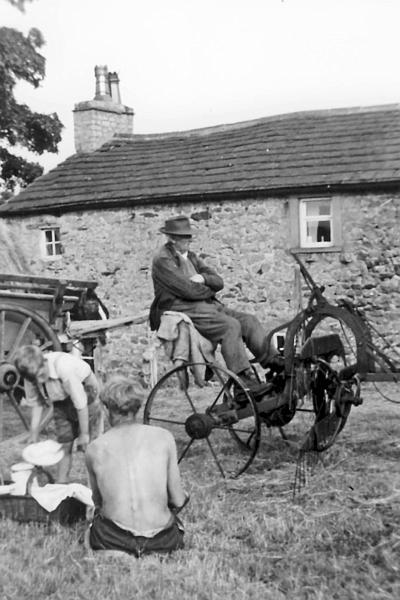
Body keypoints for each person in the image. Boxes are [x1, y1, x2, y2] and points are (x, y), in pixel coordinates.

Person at [150, 215, 274, 386]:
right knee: (230, 326)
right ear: (171, 238)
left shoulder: (191, 256)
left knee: (249, 321)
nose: (189, 240)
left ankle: (273, 362)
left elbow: (219, 282)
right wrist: (208, 289)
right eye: (184, 237)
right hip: (180, 306)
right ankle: (242, 379)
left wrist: (203, 278)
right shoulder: (163, 259)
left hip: (206, 304)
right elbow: (188, 291)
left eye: (189, 236)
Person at [85, 375, 188, 557]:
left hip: (113, 539)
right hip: (162, 541)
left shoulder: (95, 448)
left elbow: (98, 502)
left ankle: (118, 553)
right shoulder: (164, 437)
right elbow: (178, 500)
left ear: (107, 409)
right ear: (138, 407)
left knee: (91, 524)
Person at [14, 345, 103, 483]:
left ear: (44, 362)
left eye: (41, 376)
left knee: (89, 447)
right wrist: (34, 432)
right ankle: (61, 484)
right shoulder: (30, 376)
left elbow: (81, 403)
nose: (39, 382)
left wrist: (84, 434)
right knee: (64, 444)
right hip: (61, 402)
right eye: (34, 380)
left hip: (86, 394)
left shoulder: (63, 367)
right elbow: (37, 403)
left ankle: (97, 489)